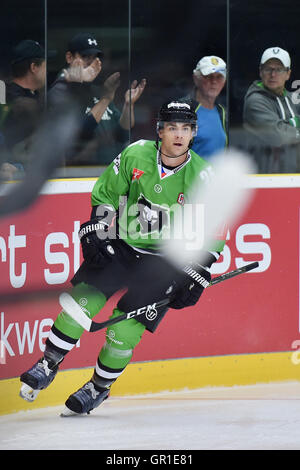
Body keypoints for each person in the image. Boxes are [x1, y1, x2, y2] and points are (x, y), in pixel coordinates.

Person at [19, 100, 226, 416]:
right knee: (81, 304)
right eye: (172, 127)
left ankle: (97, 388)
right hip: (124, 247)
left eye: (186, 128)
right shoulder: (136, 154)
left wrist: (196, 272)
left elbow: (213, 228)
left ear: (194, 133)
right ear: (160, 130)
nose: (179, 135)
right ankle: (48, 362)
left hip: (164, 263)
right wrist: (97, 231)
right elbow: (106, 193)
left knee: (124, 332)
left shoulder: (202, 175)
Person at [48, 32, 146, 165]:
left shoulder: (98, 91)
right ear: (69, 57)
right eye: (85, 56)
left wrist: (129, 105)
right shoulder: (61, 90)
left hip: (111, 172)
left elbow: (123, 133)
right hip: (79, 174)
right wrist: (105, 99)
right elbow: (80, 132)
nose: (91, 62)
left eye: (94, 57)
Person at [243, 46, 300, 173]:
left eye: (279, 69)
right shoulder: (255, 101)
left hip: (293, 179)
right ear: (260, 71)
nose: (273, 74)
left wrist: (287, 125)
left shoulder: (292, 98)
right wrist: (294, 124)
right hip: (265, 180)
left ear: (288, 74)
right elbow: (278, 136)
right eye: (268, 69)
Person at [2, 40, 50, 171]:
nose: (47, 72)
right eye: (45, 66)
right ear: (34, 67)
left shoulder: (34, 96)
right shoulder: (9, 98)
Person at [184, 55, 227, 158]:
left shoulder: (222, 111)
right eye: (208, 76)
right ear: (196, 78)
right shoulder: (183, 109)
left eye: (219, 77)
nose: (214, 81)